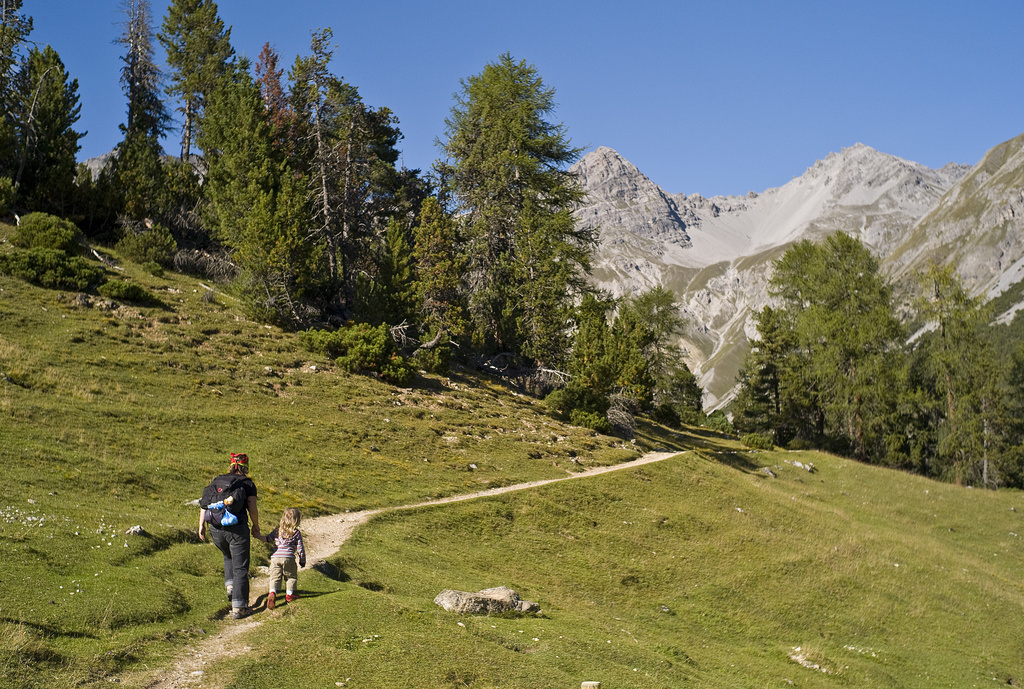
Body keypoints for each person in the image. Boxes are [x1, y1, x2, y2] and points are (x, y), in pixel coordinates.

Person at [198, 452, 261, 619]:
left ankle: (231, 587)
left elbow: (205, 504)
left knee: (227, 556)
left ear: (231, 465)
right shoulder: (247, 484)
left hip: (215, 529)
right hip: (237, 530)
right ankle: (239, 608)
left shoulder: (217, 480)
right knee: (241, 567)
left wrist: (201, 527)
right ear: (245, 467)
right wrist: (256, 526)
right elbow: (252, 507)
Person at [259, 507, 306, 610]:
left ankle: (272, 593)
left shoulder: (277, 531)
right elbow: (300, 548)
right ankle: (289, 595)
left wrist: (257, 536)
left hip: (275, 557)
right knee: (291, 577)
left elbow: (267, 539)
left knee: (275, 577)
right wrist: (302, 560)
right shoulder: (296, 533)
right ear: (296, 520)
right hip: (288, 557)